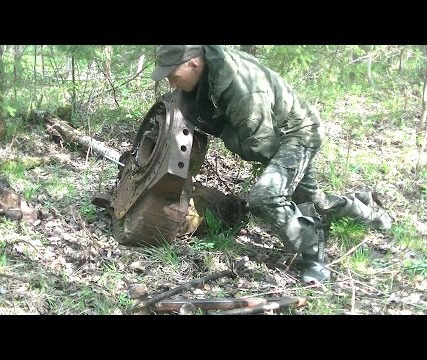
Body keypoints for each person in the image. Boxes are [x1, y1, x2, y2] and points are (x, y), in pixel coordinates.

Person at [150, 45, 392, 284]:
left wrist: (225, 131)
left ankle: (314, 256)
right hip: (283, 132)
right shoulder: (209, 67)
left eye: (173, 75)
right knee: (312, 199)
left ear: (193, 63)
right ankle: (367, 211)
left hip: (297, 134)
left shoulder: (241, 88)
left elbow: (260, 145)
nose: (172, 82)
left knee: (266, 197)